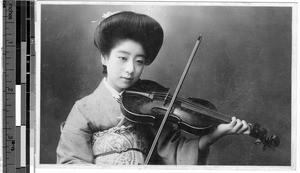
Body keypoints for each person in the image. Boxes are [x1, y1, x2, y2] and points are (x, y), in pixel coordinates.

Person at [56, 11, 250, 165]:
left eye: (139, 61)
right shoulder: (83, 108)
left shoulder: (150, 107)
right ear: (104, 57)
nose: (130, 69)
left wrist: (215, 134)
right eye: (122, 58)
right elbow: (70, 162)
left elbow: (175, 153)